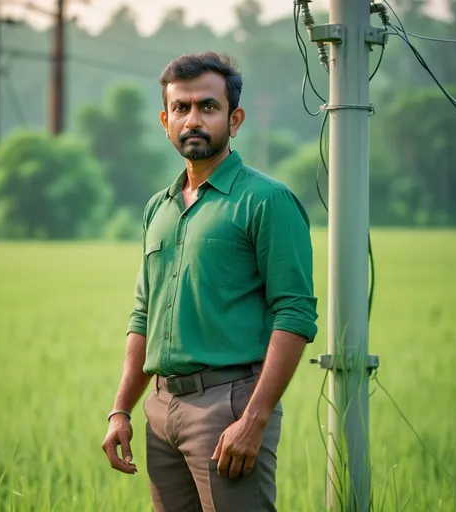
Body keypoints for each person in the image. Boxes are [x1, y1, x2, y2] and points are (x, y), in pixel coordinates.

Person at [102, 51, 318, 512]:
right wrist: (121, 409)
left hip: (230, 407)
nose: (193, 119)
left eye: (208, 106)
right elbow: (144, 314)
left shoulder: (267, 201)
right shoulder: (157, 210)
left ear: (234, 119)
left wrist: (253, 420)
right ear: (165, 120)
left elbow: (295, 313)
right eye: (181, 108)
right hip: (161, 412)